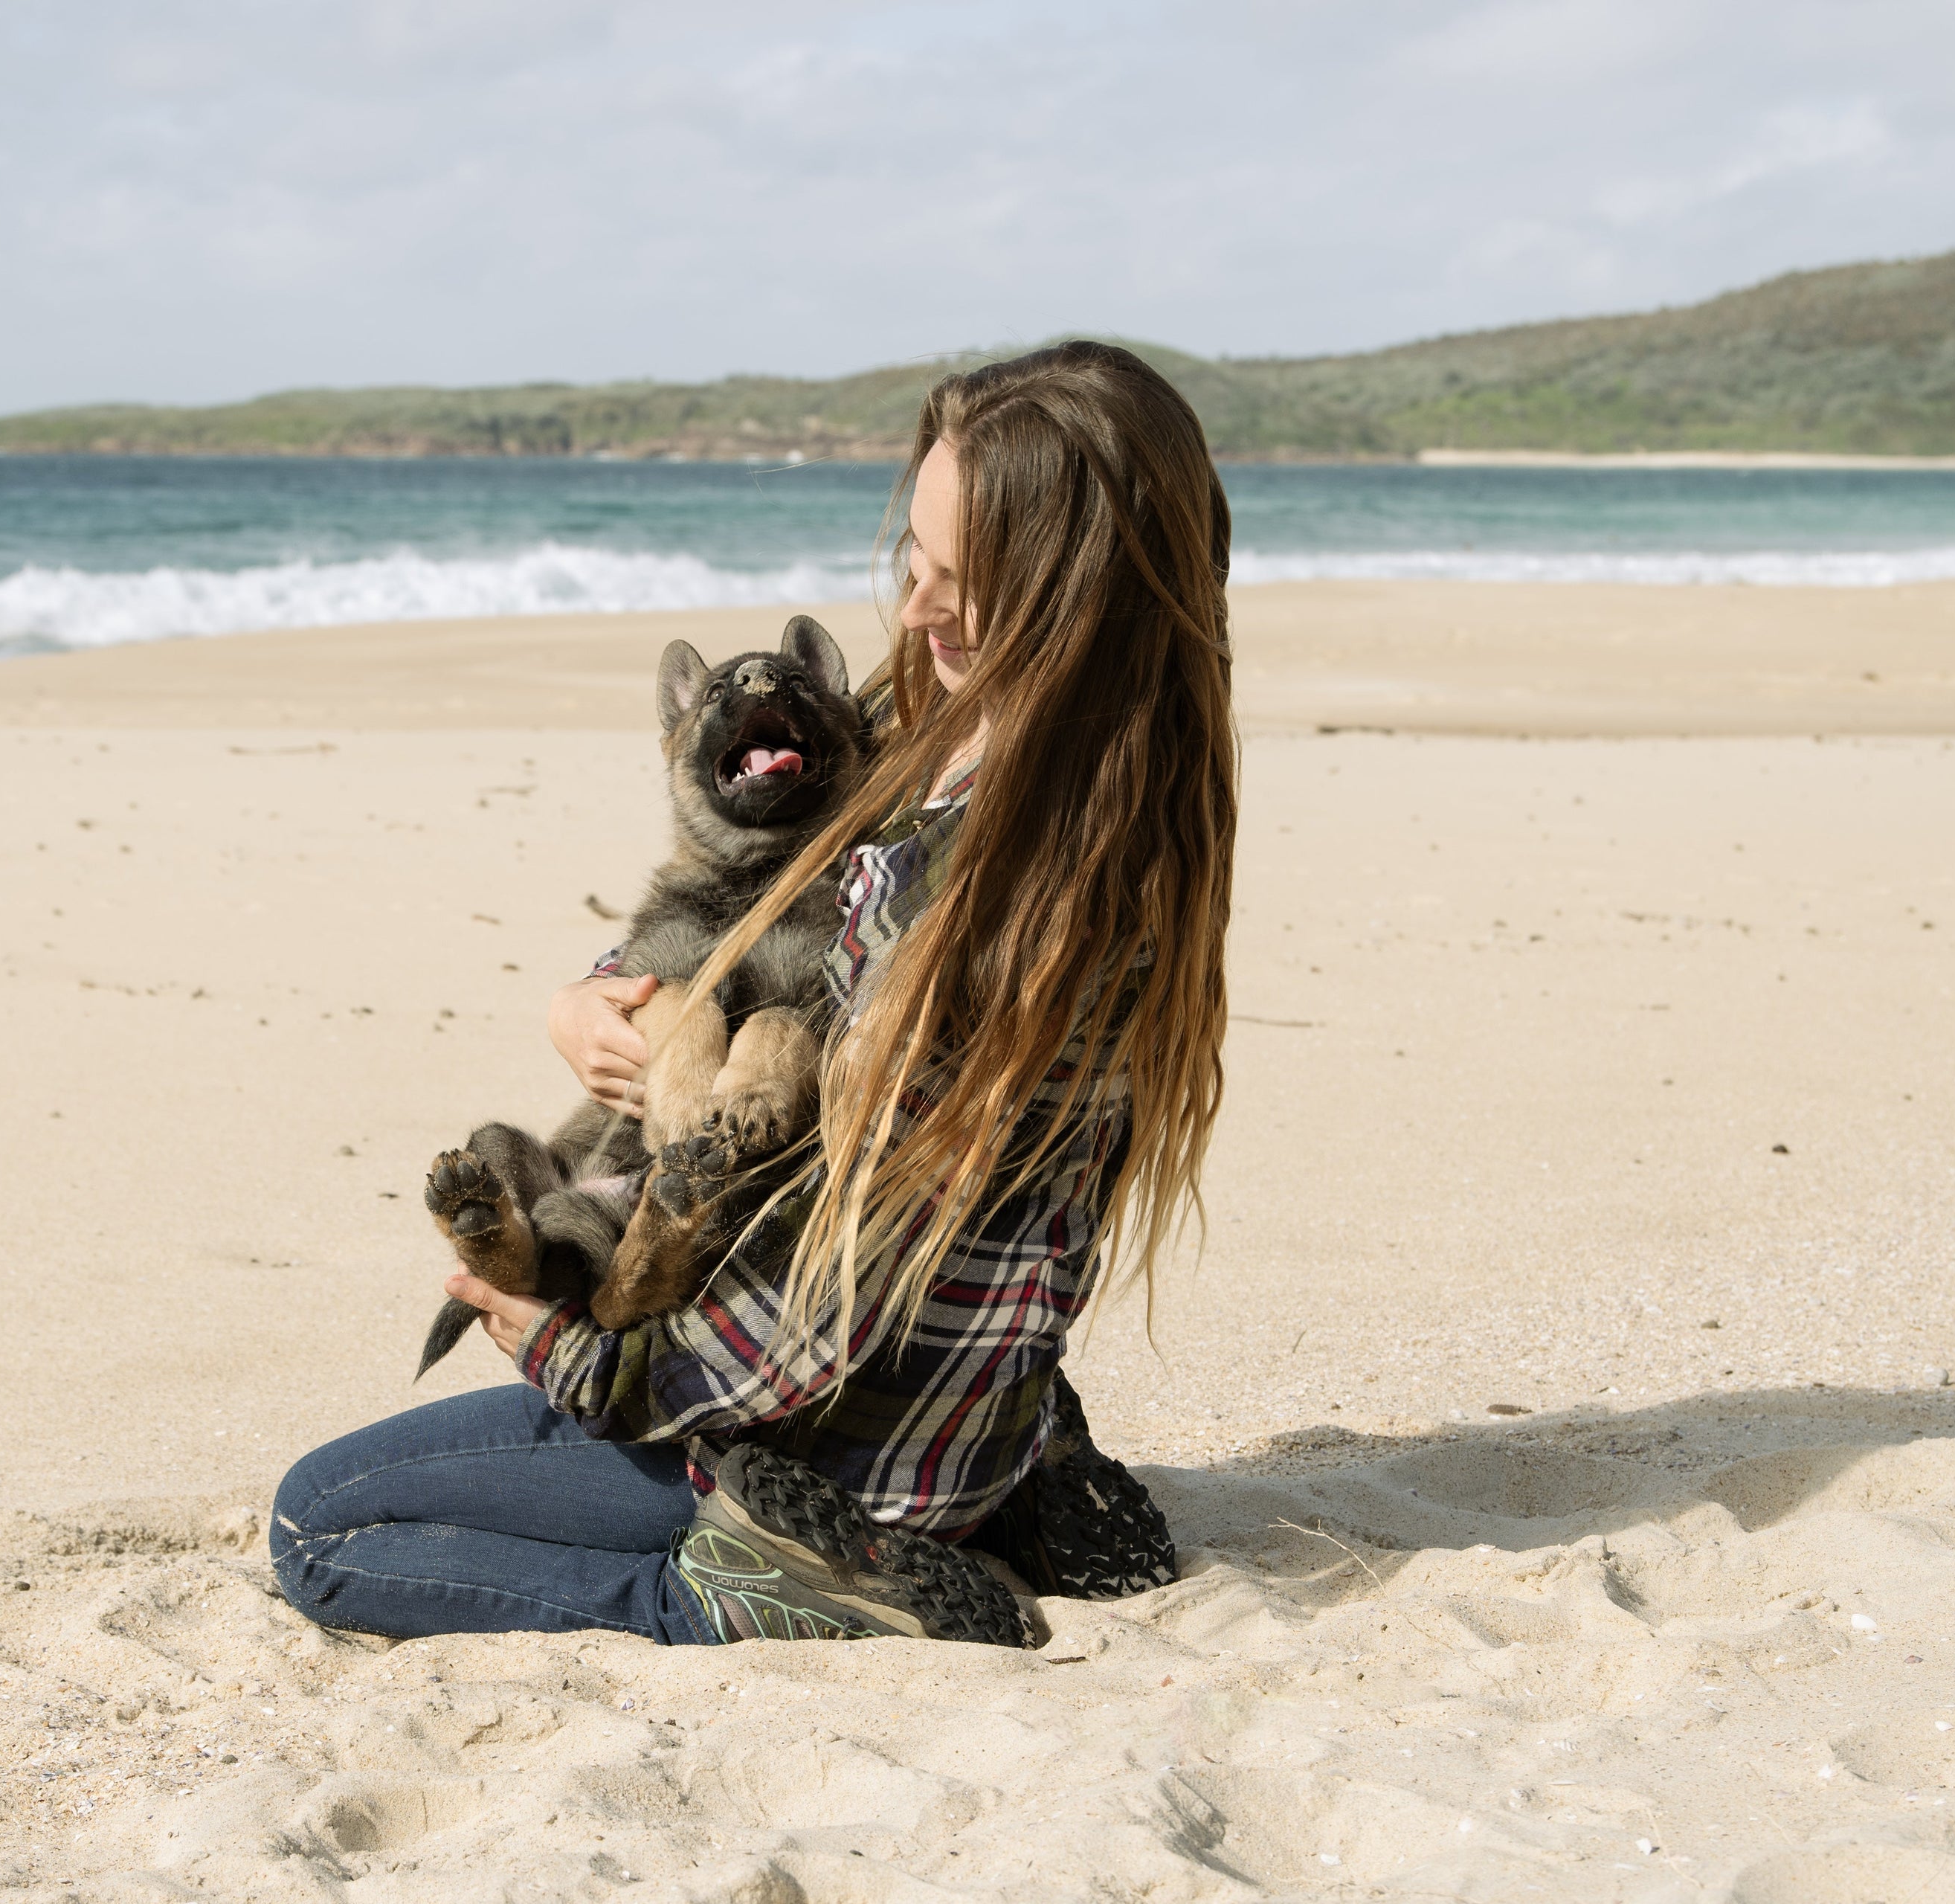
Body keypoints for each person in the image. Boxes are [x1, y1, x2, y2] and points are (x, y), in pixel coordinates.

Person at [271, 341, 1236, 1645]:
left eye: (969, 585)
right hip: (962, 1409)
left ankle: (745, 1587)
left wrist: (550, 1344)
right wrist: (601, 999)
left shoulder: (1012, 910)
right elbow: (746, 899)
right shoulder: (1018, 782)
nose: (914, 617)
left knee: (322, 1525)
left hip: (830, 1453)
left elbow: (810, 1325)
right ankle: (1017, 1488)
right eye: (917, 566)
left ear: (1076, 599)